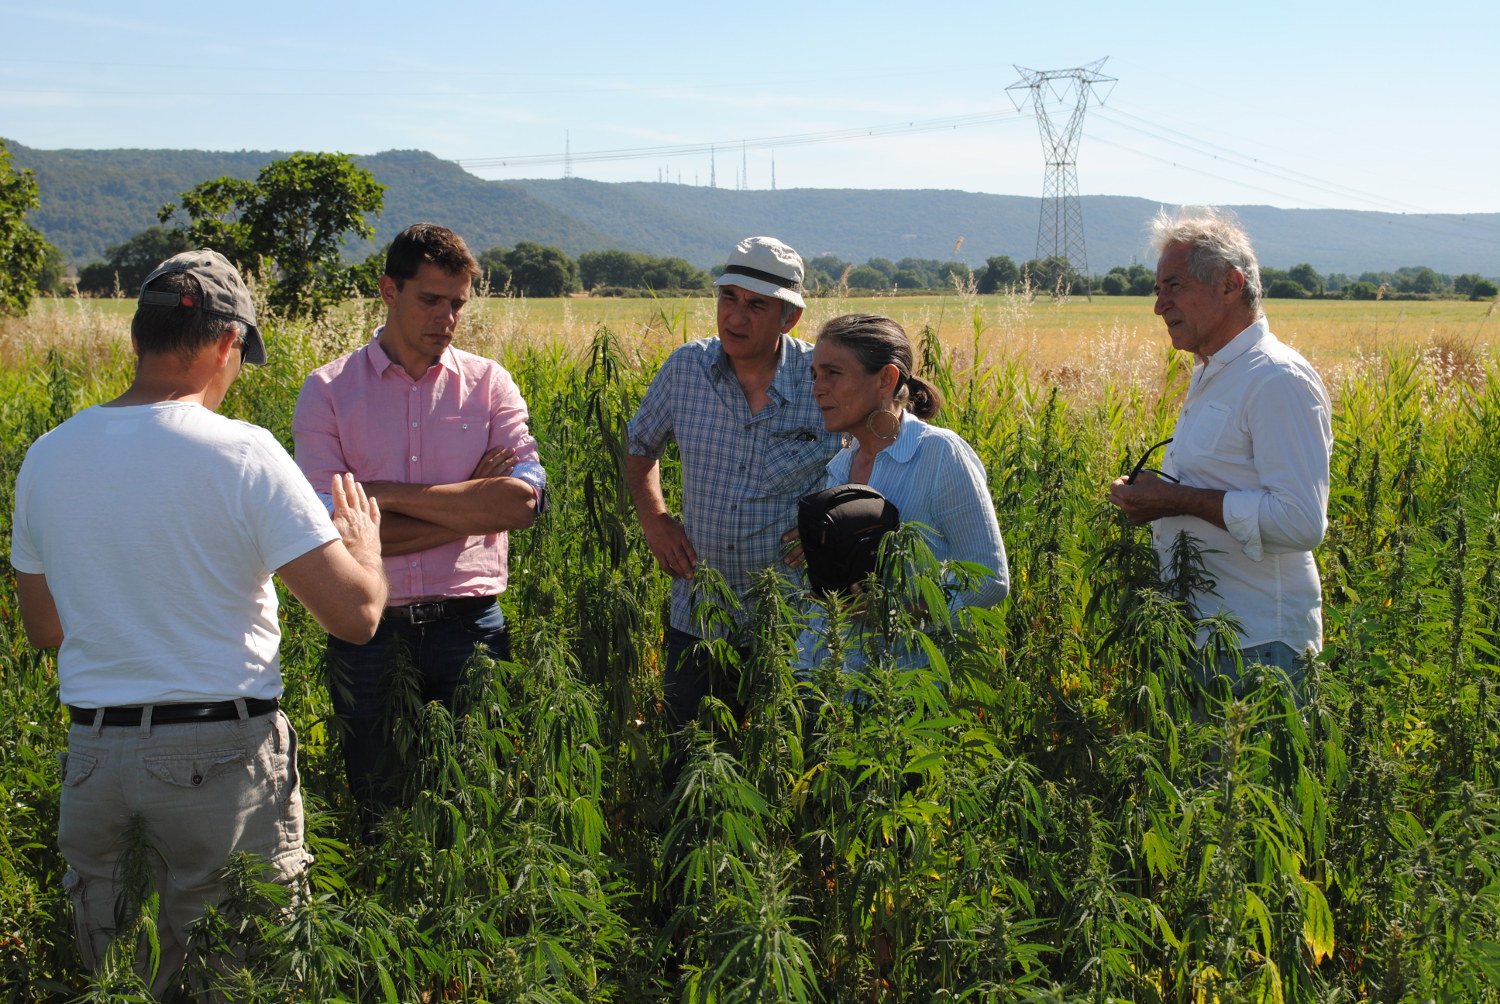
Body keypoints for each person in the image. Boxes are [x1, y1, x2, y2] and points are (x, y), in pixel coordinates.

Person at [10, 249, 388, 995]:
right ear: (225, 343)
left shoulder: (47, 457)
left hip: (96, 759)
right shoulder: (243, 451)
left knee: (119, 980)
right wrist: (364, 549)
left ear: (138, 340)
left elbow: (45, 629)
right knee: (239, 979)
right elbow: (355, 616)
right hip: (221, 758)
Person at [292, 223, 545, 824]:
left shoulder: (489, 385)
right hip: (373, 630)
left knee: (479, 803)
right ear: (388, 290)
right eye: (430, 299)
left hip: (472, 624)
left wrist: (381, 498)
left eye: (457, 303)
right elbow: (331, 532)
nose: (446, 317)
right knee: (379, 807)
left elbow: (521, 504)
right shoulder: (328, 391)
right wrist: (470, 509)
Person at [1108, 206, 1333, 698]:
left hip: (1259, 647)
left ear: (1231, 285)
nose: (1159, 305)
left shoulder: (1277, 380)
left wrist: (1174, 500)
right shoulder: (1217, 373)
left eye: (1174, 286)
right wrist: (1154, 497)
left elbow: (1300, 522)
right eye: (1157, 290)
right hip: (1204, 638)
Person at [626, 235, 842, 741]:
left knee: (788, 766)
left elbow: (875, 456)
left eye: (756, 306)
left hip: (793, 621)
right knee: (691, 767)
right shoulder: (686, 369)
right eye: (729, 299)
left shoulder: (824, 379)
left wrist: (835, 523)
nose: (736, 318)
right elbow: (639, 448)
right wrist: (655, 520)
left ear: (789, 318)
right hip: (699, 616)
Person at [792, 313, 1010, 673]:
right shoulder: (841, 465)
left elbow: (990, 579)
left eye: (833, 373)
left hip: (904, 691)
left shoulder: (938, 454)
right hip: (830, 681)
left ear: (886, 379)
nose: (817, 388)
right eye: (815, 374)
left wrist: (895, 612)